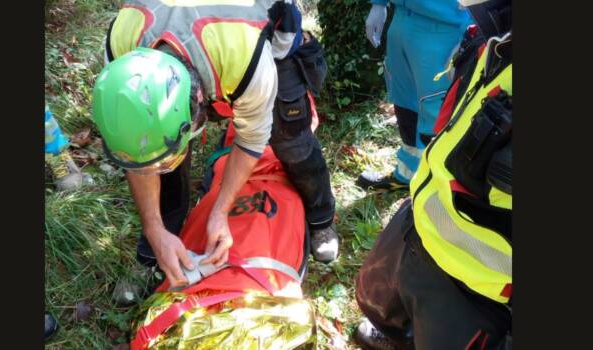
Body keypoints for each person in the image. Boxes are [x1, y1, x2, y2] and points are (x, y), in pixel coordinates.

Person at [92, 0, 338, 289]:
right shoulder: (120, 50)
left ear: (199, 101)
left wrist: (221, 210)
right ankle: (155, 248)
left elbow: (250, 139)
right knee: (161, 153)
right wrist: (153, 227)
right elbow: (139, 154)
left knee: (292, 141)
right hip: (200, 44)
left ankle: (321, 219)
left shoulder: (247, 57)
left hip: (271, 42)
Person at [354, 0, 512, 348]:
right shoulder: (500, 34)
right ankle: (406, 172)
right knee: (410, 105)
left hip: (475, 281)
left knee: (432, 109)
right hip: (426, 224)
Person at [357, 0, 472, 192]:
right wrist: (379, 4)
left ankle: (437, 187)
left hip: (443, 28)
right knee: (404, 100)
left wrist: (472, 29)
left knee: (437, 109)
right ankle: (407, 173)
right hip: (401, 19)